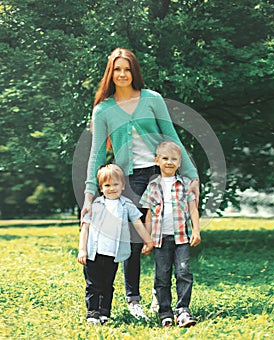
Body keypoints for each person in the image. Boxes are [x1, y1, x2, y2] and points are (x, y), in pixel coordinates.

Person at [81, 47, 200, 320]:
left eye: (127, 69)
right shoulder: (103, 110)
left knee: (165, 237)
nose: (122, 74)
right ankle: (133, 298)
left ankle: (162, 296)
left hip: (161, 175)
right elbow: (97, 153)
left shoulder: (152, 99)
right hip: (130, 179)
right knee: (133, 241)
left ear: (134, 72)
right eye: (117, 69)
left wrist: (191, 175)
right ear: (111, 74)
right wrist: (89, 193)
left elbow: (172, 137)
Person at [78, 164, 153, 324]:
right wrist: (82, 250)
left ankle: (105, 312)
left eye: (115, 184)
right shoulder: (96, 206)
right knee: (93, 285)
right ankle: (92, 313)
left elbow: (138, 223)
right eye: (107, 185)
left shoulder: (126, 205)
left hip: (113, 254)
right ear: (101, 187)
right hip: (94, 253)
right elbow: (85, 228)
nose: (111, 188)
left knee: (107, 285)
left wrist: (148, 240)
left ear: (123, 186)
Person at [140, 141, 201, 328]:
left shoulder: (185, 184)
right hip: (160, 239)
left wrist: (196, 230)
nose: (169, 162)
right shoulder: (152, 186)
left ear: (180, 162)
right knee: (162, 276)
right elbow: (149, 214)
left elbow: (193, 208)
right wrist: (147, 239)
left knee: (183, 272)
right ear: (157, 160)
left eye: (174, 159)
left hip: (182, 237)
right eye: (165, 158)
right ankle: (164, 312)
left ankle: (183, 311)